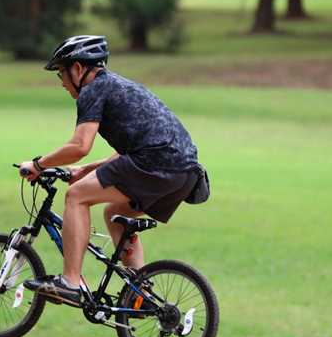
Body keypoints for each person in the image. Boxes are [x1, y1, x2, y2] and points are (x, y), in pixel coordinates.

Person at [19, 35, 204, 307]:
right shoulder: (122, 87)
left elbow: (80, 145)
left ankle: (70, 282)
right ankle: (140, 294)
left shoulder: (93, 90)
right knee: (115, 214)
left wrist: (38, 165)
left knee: (76, 196)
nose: (61, 82)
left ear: (79, 69)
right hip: (186, 173)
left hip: (157, 163)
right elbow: (131, 149)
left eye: (61, 72)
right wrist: (86, 169)